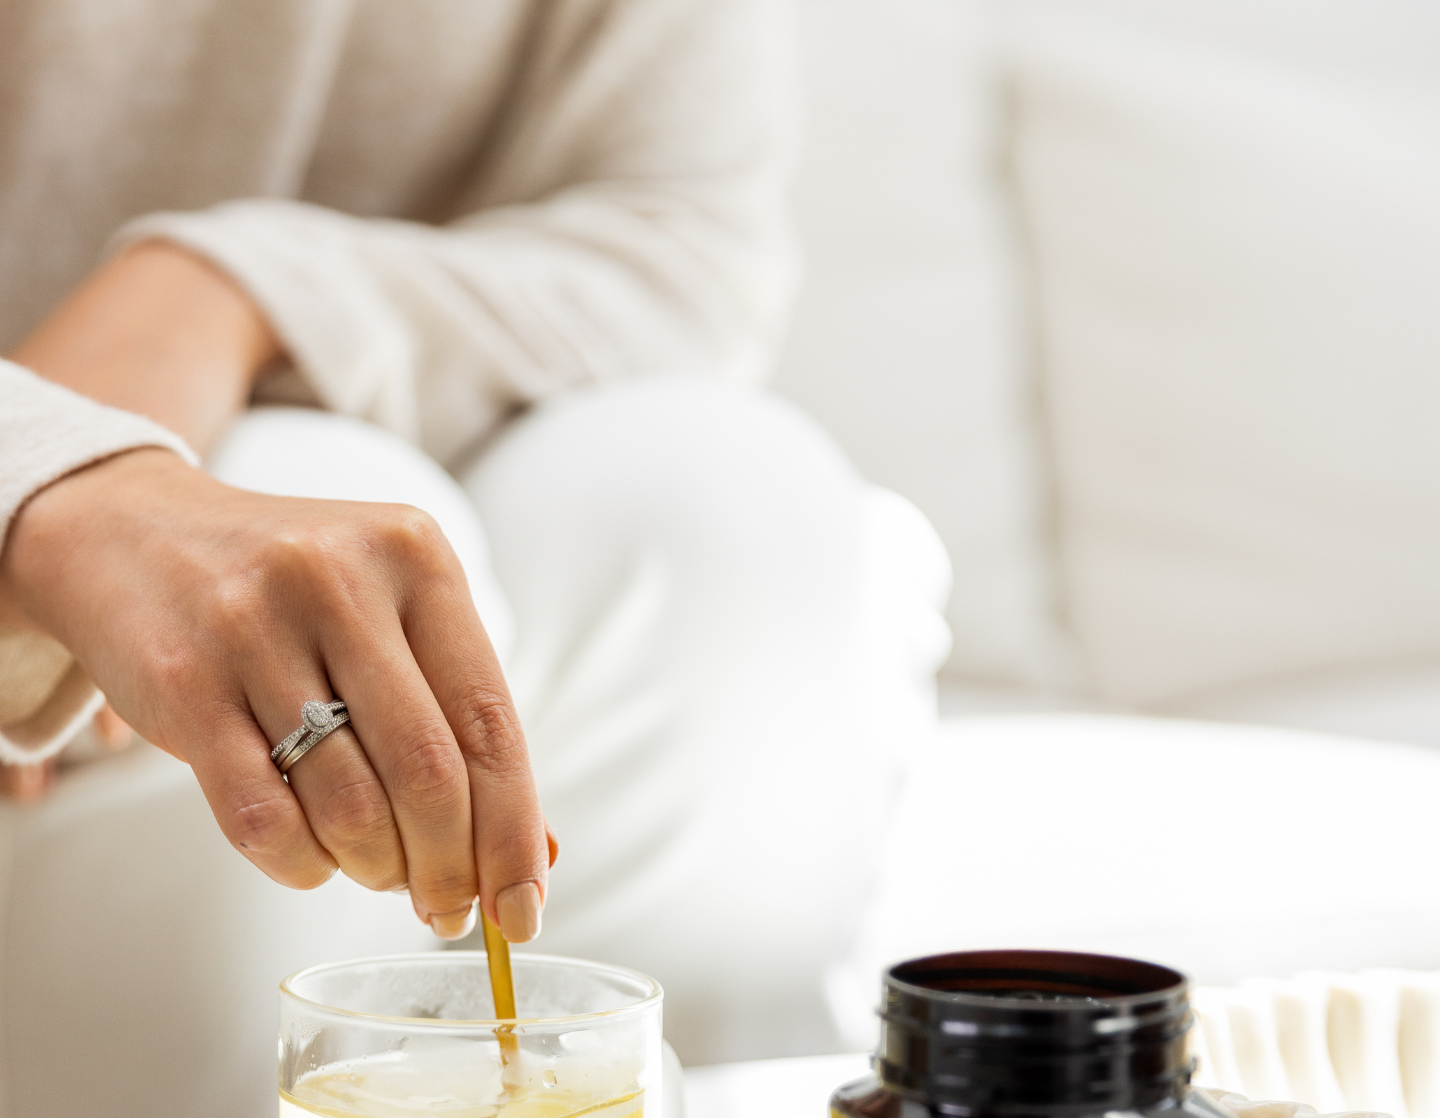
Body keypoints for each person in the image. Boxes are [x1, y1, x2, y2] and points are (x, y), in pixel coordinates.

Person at [0, 0, 949, 1061]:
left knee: (730, 502)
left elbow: (685, 237)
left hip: (452, 423)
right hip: (43, 557)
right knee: (296, 517)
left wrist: (221, 292)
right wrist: (44, 483)